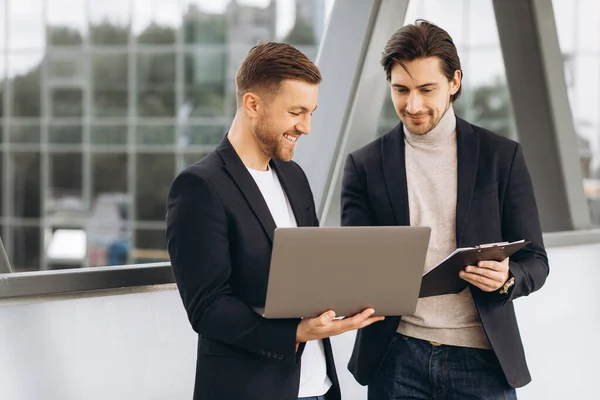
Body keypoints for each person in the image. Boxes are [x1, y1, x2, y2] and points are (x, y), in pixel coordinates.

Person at [341, 20, 549, 400]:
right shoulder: (364, 165)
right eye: (401, 90)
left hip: (483, 360)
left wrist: (507, 278)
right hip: (396, 357)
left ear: (454, 82)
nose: (413, 105)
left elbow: (536, 261)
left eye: (426, 89)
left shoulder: (501, 157)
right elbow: (355, 267)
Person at [166, 41, 383, 400]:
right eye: (296, 112)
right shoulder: (199, 187)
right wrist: (294, 333)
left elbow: (311, 272)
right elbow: (207, 307)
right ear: (253, 104)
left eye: (311, 112)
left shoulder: (294, 177)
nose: (307, 127)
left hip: (321, 387)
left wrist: (347, 298)